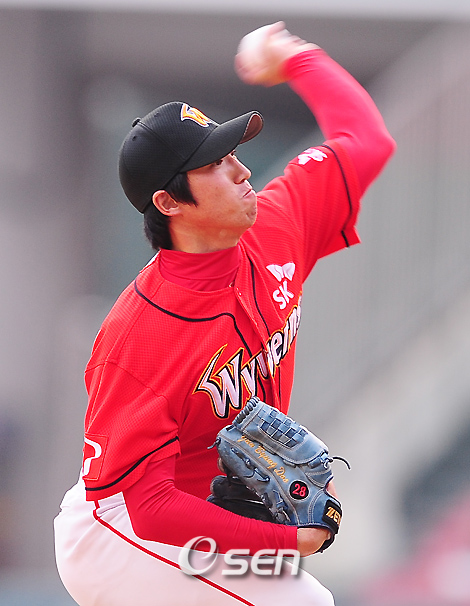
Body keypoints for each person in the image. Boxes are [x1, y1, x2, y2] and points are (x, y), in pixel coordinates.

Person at [54, 22, 395, 606]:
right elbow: (150, 506)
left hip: (192, 515)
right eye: (214, 163)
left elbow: (366, 140)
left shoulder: (278, 225)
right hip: (121, 531)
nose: (241, 170)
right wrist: (286, 540)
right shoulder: (141, 334)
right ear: (168, 202)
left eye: (232, 152)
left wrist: (297, 58)